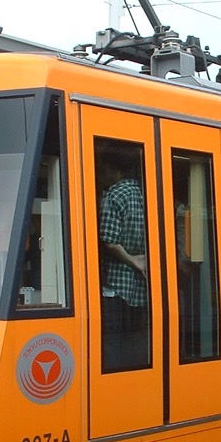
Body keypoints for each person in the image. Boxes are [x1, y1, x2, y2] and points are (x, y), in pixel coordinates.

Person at [97, 147, 148, 369]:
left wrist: (131, 259)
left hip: (116, 286)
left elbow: (108, 240)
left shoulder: (114, 195)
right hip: (139, 287)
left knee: (113, 345)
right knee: (134, 342)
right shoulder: (143, 192)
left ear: (113, 169)